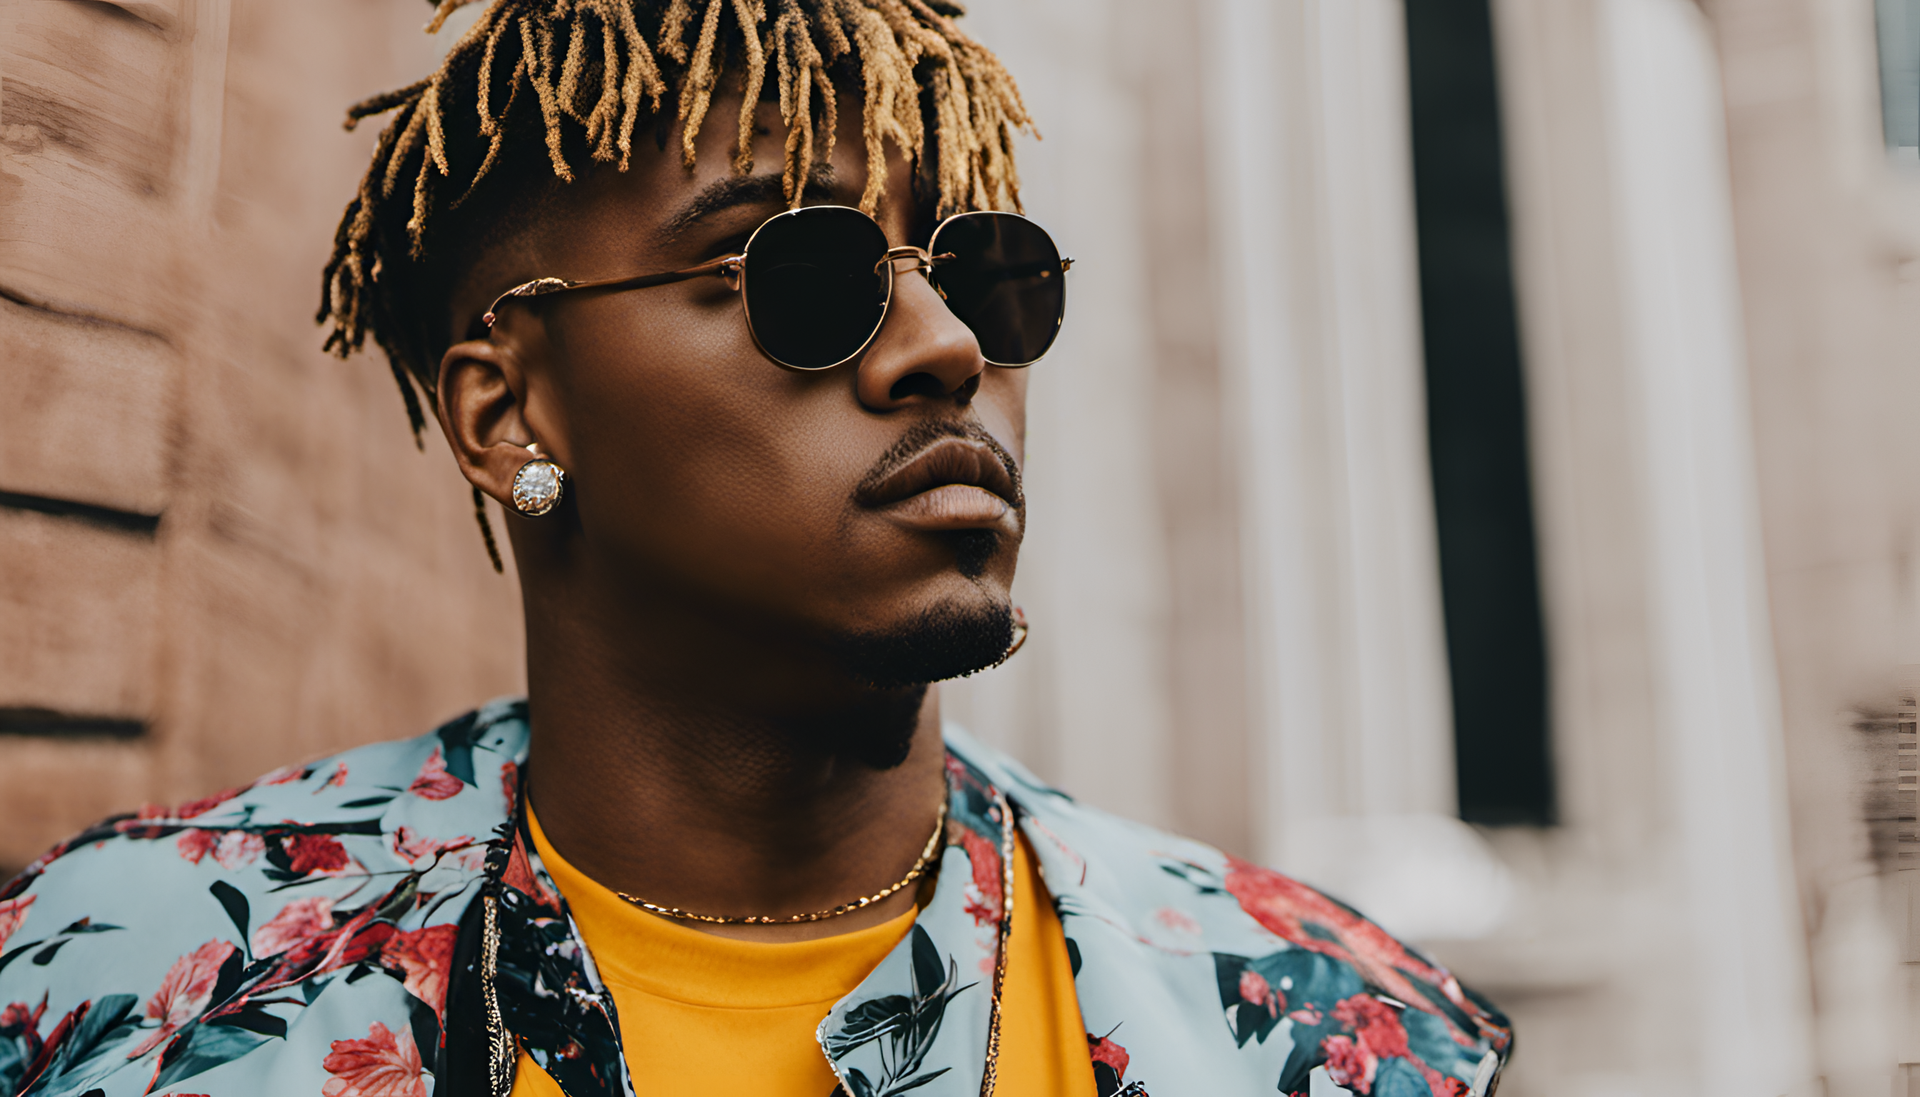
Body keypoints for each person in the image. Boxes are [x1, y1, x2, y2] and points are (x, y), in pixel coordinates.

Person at [0, 1, 1512, 1094]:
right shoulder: (109, 995)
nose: (941, 346)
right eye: (800, 271)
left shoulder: (1323, 1031)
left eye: (986, 273)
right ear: (511, 413)